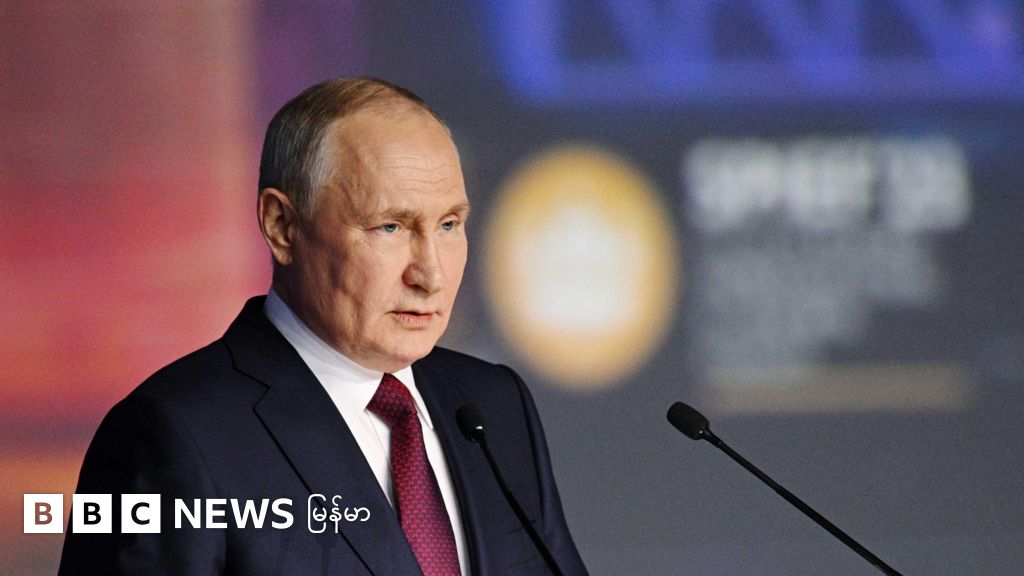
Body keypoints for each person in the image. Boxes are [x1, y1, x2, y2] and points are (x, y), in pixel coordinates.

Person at [58, 77, 589, 576]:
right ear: (282, 226)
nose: (430, 274)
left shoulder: (495, 406)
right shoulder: (170, 435)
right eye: (390, 227)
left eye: (449, 224)